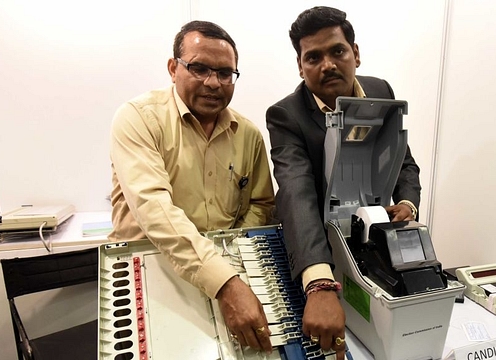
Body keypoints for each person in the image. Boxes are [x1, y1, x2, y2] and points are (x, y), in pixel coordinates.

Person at [109, 20, 275, 353]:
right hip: (151, 264)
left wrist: (233, 261)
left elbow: (261, 204)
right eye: (199, 68)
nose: (213, 83)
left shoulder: (249, 134)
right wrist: (225, 282)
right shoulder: (139, 118)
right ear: (173, 68)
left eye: (225, 73)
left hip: (226, 269)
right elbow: (154, 208)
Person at [266, 6, 422, 358]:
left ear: (356, 53)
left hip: (372, 241)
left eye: (337, 51)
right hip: (316, 245)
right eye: (313, 57)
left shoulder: (381, 91)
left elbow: (403, 162)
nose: (328, 65)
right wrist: (319, 283)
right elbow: (295, 191)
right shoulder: (286, 115)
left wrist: (408, 204)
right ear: (300, 66)